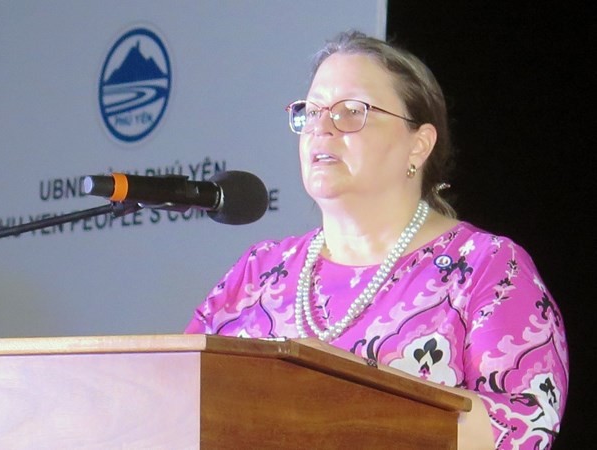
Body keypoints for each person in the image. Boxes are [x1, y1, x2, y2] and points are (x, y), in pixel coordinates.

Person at [185, 30, 568, 449]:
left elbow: (524, 424)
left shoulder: (489, 268)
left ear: (418, 145)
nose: (321, 128)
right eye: (311, 112)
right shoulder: (259, 272)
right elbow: (175, 400)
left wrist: (346, 411)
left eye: (351, 111)